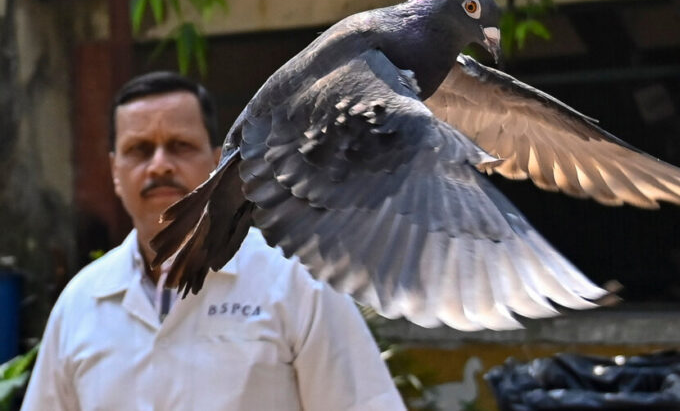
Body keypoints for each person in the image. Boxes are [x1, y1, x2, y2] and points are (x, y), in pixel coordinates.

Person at [22, 72, 406, 410]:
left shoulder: (295, 282)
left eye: (179, 146)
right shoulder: (80, 303)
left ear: (217, 161)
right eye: (139, 150)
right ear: (115, 172)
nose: (159, 164)